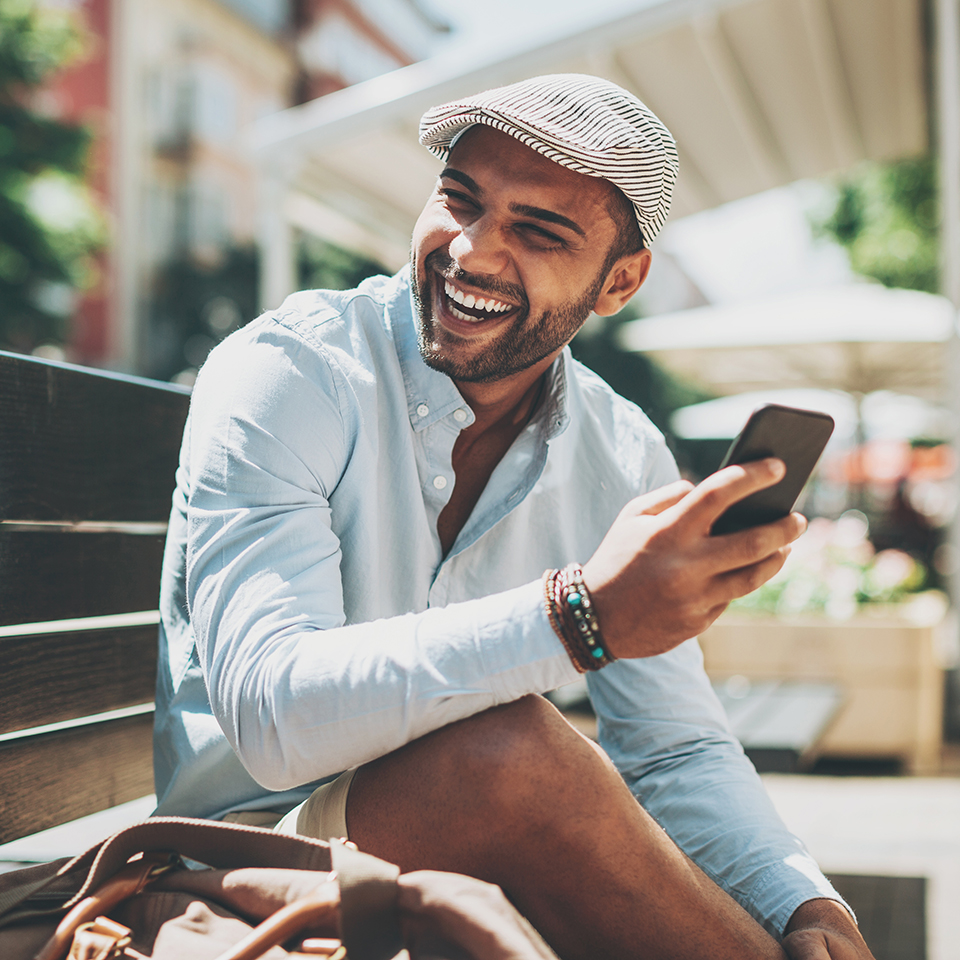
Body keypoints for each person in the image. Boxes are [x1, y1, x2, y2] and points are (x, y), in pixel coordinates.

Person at [154, 75, 875, 960]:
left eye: (538, 232)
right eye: (459, 201)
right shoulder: (288, 373)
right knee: (509, 756)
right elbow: (274, 721)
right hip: (241, 869)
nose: (473, 252)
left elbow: (675, 749)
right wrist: (580, 616)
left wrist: (802, 902)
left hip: (468, 878)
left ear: (620, 282)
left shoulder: (621, 450)